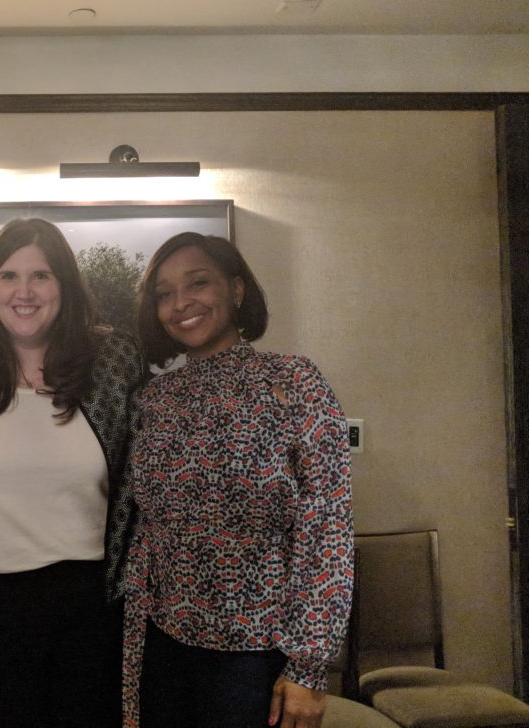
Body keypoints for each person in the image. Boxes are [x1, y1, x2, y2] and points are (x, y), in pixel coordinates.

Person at [0, 217, 145, 727]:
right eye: (9, 276)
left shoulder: (113, 361)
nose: (24, 291)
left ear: (64, 284)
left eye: (41, 275)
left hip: (93, 602)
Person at [122, 232, 353, 728]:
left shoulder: (293, 382)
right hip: (163, 649)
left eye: (197, 283)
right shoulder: (152, 399)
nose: (180, 303)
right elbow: (143, 531)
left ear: (237, 289)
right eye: (164, 293)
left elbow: (327, 526)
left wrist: (309, 665)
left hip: (259, 657)